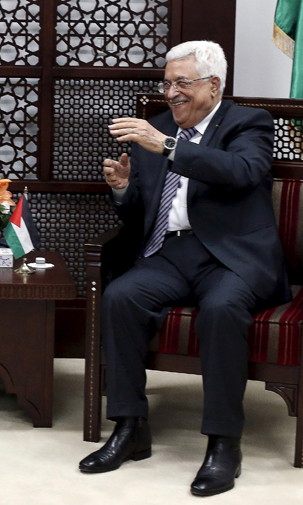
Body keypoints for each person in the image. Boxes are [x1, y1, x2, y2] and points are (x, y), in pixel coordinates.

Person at [78, 40, 290, 496]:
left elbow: (244, 170)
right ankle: (130, 427)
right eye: (168, 83)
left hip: (231, 255)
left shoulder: (247, 123)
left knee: (221, 310)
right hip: (172, 253)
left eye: (181, 83)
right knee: (121, 297)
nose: (171, 93)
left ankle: (223, 444)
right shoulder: (156, 129)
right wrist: (121, 190)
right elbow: (141, 213)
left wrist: (170, 147)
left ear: (213, 86)